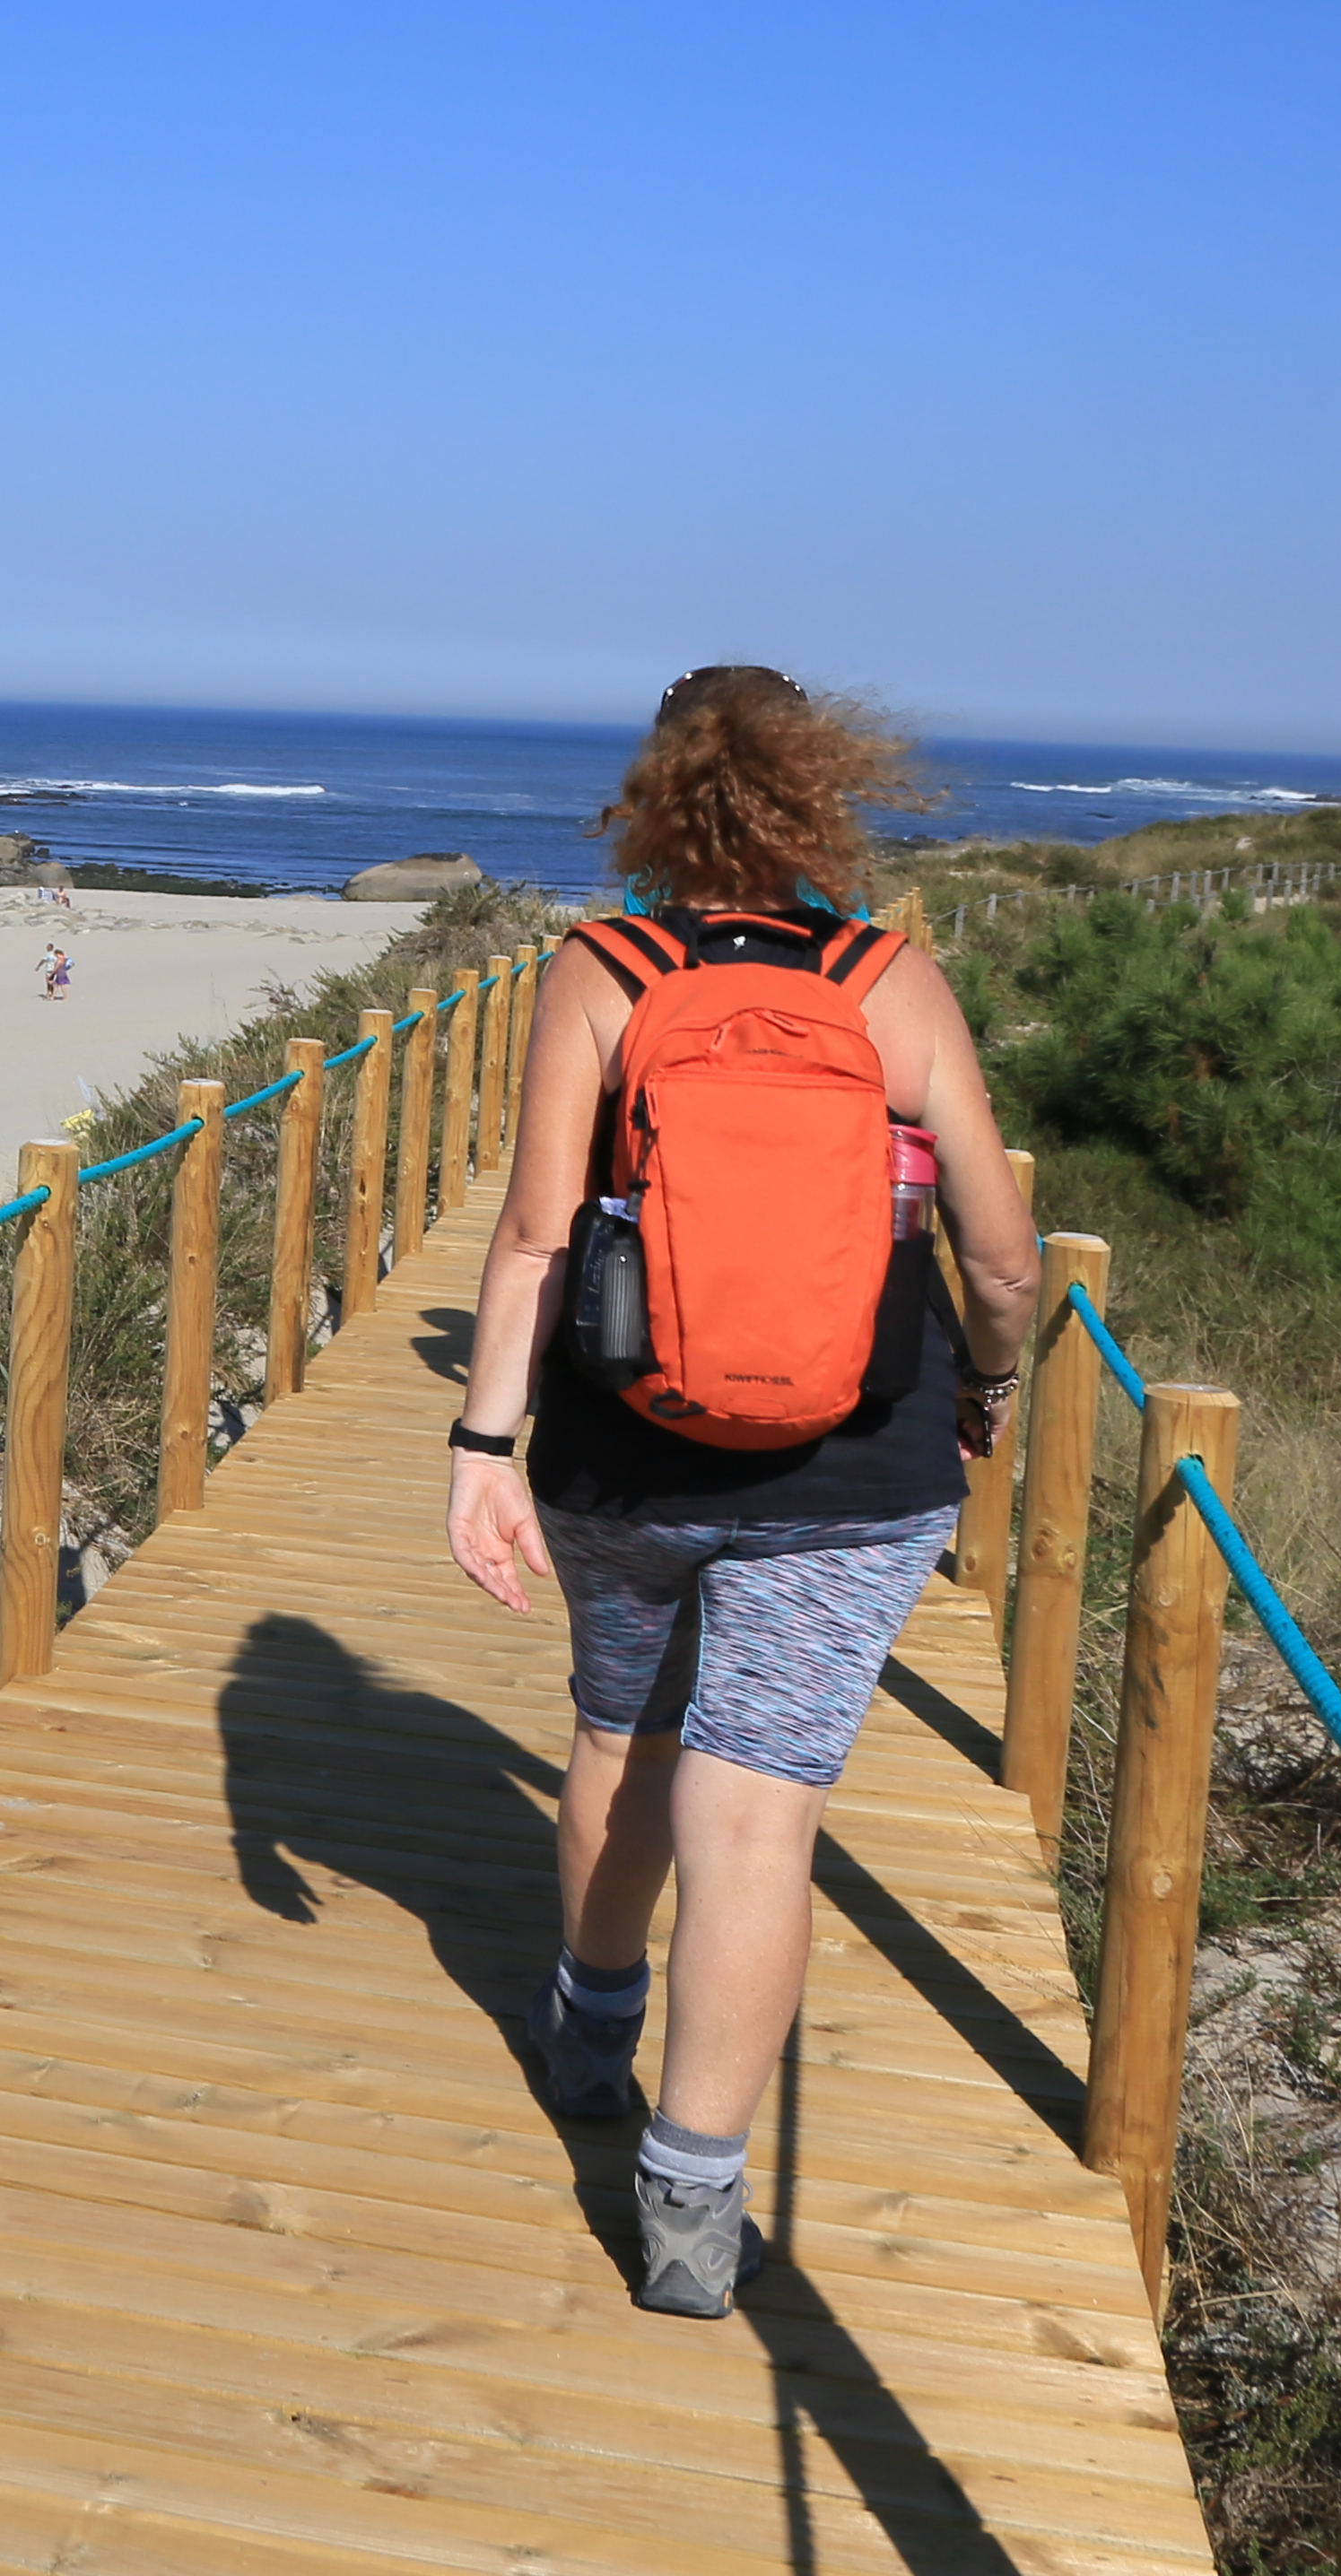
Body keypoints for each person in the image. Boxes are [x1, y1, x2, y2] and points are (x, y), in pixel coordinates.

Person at [444, 665, 1038, 2319]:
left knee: (620, 1738)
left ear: (656, 793)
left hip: (624, 1445)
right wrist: (989, 1380)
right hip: (861, 1465)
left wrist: (482, 1452)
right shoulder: (889, 978)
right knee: (757, 1807)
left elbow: (535, 1235)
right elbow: (998, 1254)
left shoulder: (604, 967)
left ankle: (588, 2031)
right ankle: (694, 2213)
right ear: (820, 790)